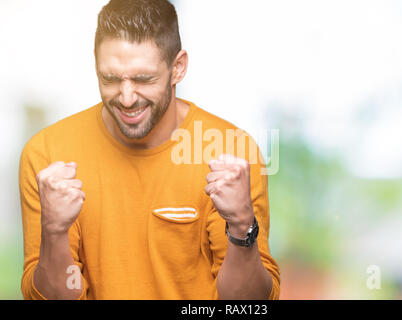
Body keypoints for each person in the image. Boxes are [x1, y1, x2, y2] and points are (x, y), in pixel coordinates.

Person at [19, 0, 280, 300]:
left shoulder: (232, 152)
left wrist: (241, 226)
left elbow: (246, 305)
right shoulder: (47, 155)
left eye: (144, 79)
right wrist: (54, 232)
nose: (127, 98)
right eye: (110, 79)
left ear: (178, 68)